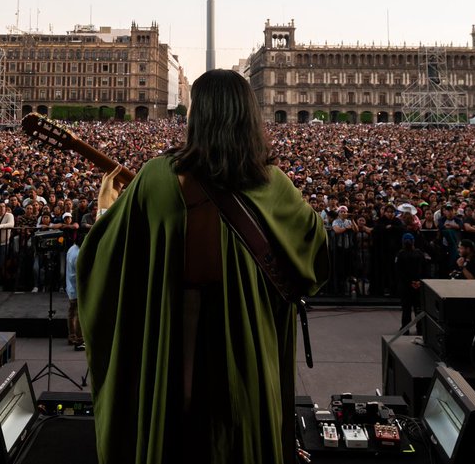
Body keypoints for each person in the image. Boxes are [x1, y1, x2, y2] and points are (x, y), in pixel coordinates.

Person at [77, 69, 329, 464]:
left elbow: (106, 257)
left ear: (197, 117)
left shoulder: (157, 177)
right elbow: (315, 257)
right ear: (249, 117)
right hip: (247, 352)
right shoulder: (274, 183)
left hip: (176, 350)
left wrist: (105, 209)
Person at [65, 228, 84, 351]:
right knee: (78, 314)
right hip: (76, 288)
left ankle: (71, 336)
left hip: (71, 288)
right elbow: (79, 274)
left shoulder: (72, 249)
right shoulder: (78, 254)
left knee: (71, 313)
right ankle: (79, 339)